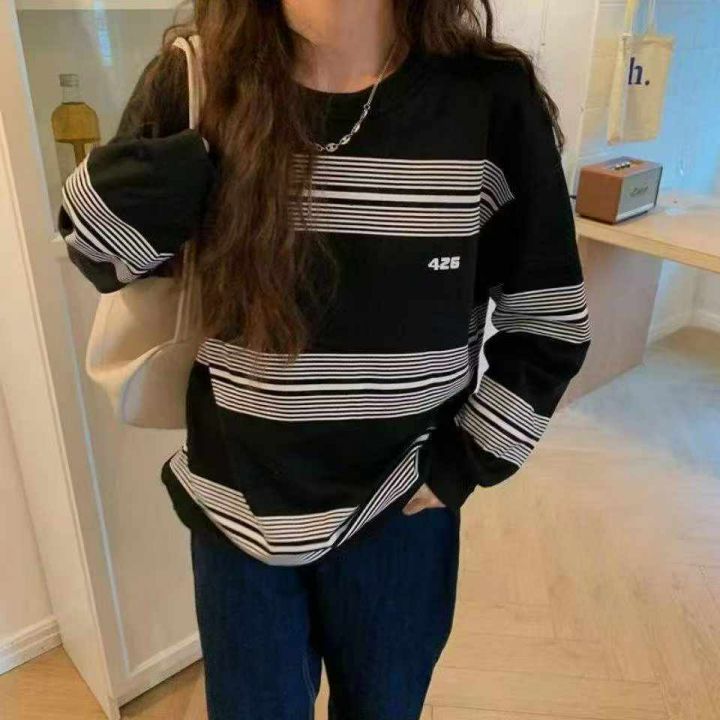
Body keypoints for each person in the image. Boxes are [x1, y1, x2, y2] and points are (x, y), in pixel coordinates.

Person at [58, 1, 591, 717]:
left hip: (402, 506)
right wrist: (160, 180)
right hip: (236, 506)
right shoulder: (199, 77)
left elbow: (550, 321)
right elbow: (102, 258)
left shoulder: (489, 99)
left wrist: (463, 464)